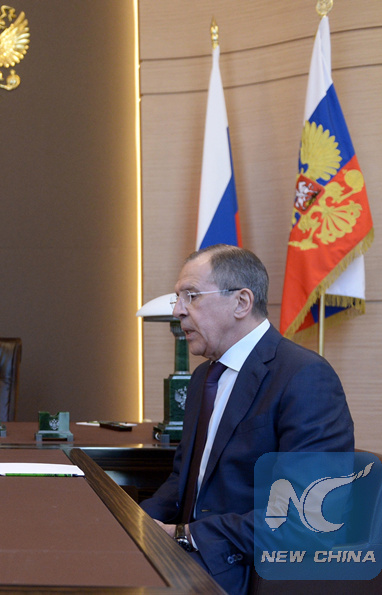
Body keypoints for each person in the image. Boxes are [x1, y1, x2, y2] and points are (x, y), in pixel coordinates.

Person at [139, 245, 353, 595]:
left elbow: (306, 515)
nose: (178, 310)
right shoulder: (203, 377)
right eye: (178, 298)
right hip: (191, 552)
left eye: (191, 296)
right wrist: (135, 522)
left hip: (245, 567)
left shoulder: (304, 376)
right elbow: (183, 480)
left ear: (241, 302)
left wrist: (185, 534)